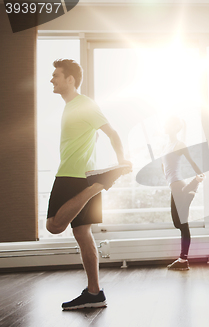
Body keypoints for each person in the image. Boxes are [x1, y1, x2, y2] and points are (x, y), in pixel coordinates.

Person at [46, 59, 132, 310]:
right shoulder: (71, 106)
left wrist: (120, 160)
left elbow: (112, 132)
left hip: (74, 177)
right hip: (86, 176)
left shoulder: (84, 104)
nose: (52, 79)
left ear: (70, 79)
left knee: (54, 226)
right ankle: (94, 293)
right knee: (83, 234)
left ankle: (99, 185)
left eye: (56, 75)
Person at [161, 117, 204, 270]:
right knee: (177, 223)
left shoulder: (180, 145)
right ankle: (191, 192)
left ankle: (183, 260)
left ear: (174, 128)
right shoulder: (166, 146)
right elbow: (164, 166)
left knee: (183, 223)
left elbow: (192, 162)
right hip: (175, 186)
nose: (164, 126)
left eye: (167, 123)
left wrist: (200, 175)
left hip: (179, 185)